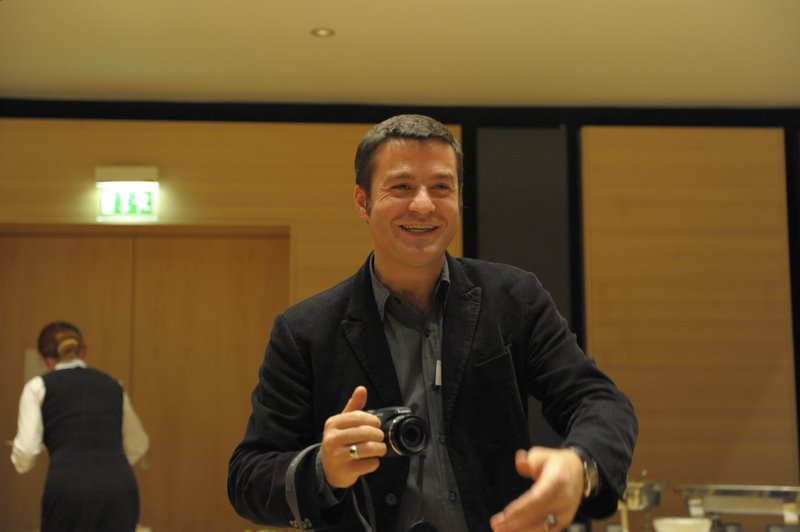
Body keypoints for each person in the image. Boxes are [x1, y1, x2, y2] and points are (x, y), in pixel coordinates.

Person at [228, 114, 638, 532]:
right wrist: (322, 468)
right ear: (362, 202)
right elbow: (248, 475)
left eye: (441, 187)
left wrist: (579, 465)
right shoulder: (304, 331)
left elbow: (598, 401)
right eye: (401, 187)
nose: (423, 204)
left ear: (459, 199)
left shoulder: (514, 298)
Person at [10, 321, 150, 532]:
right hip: (119, 486)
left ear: (44, 359)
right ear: (83, 350)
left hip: (68, 487)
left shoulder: (37, 387)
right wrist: (106, 464)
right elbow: (139, 444)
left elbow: (27, 452)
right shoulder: (114, 386)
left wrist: (21, 463)